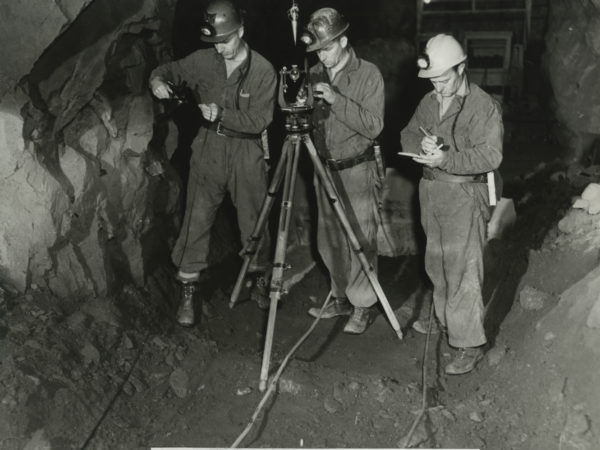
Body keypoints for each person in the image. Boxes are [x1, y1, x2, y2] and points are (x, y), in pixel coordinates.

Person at [149, 0, 277, 326]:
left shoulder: (263, 70)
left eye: (226, 41)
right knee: (197, 218)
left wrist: (223, 114)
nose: (220, 49)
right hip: (209, 147)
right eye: (216, 42)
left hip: (246, 151)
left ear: (241, 31)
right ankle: (188, 290)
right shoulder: (204, 60)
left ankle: (261, 277)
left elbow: (261, 119)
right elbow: (170, 70)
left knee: (254, 219)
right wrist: (158, 83)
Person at [400, 34, 503, 374]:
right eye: (433, 81)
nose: (438, 88)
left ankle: (468, 343)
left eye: (443, 80)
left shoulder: (481, 104)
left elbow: (491, 154)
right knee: (438, 266)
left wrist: (446, 157)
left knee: (463, 271)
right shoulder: (430, 101)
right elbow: (407, 133)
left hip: (463, 196)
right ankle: (446, 321)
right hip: (432, 194)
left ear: (461, 68)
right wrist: (422, 143)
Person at [300, 8, 385, 334]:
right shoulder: (315, 71)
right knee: (329, 238)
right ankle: (340, 297)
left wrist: (337, 99)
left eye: (327, 48)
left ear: (344, 40)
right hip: (324, 170)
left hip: (356, 169)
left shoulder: (368, 74)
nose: (322, 56)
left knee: (360, 239)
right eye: (318, 50)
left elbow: (374, 125)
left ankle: (363, 304)